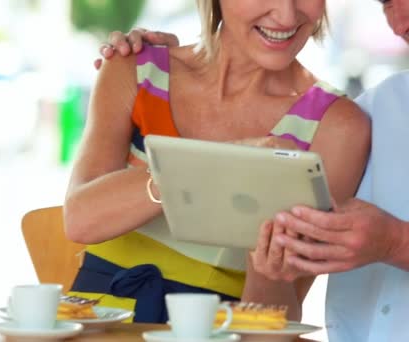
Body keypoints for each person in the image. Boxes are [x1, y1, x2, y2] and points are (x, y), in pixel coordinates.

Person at [98, 0, 408, 339]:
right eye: (386, 1)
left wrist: (393, 242)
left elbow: (274, 321)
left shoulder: (341, 124)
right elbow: (81, 219)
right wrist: (213, 166)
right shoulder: (382, 107)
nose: (286, 15)